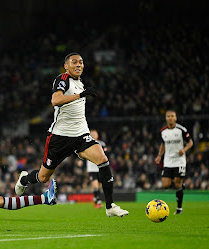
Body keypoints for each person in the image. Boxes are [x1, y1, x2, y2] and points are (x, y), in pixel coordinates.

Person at [15, 52, 128, 217]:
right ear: (66, 66)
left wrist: (82, 93)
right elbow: (55, 100)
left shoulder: (80, 83)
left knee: (103, 160)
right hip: (60, 137)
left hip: (81, 134)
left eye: (81, 62)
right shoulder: (63, 79)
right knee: (43, 177)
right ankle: (24, 179)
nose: (78, 65)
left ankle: (110, 206)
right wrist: (81, 95)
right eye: (74, 62)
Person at [155, 110, 193, 214]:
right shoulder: (163, 131)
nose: (170, 118)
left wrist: (184, 150)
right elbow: (163, 145)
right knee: (165, 185)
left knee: (177, 184)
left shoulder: (181, 129)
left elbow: (190, 142)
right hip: (168, 161)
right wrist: (159, 156)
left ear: (175, 118)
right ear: (166, 118)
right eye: (168, 116)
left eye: (172, 116)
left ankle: (179, 208)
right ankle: (180, 185)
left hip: (179, 161)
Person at [86, 129, 106, 209]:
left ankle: (95, 197)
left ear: (97, 135)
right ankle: (98, 202)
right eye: (92, 134)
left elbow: (105, 154)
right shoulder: (87, 143)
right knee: (95, 185)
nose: (93, 135)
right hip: (91, 168)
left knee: (99, 186)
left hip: (100, 167)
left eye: (95, 133)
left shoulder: (101, 144)